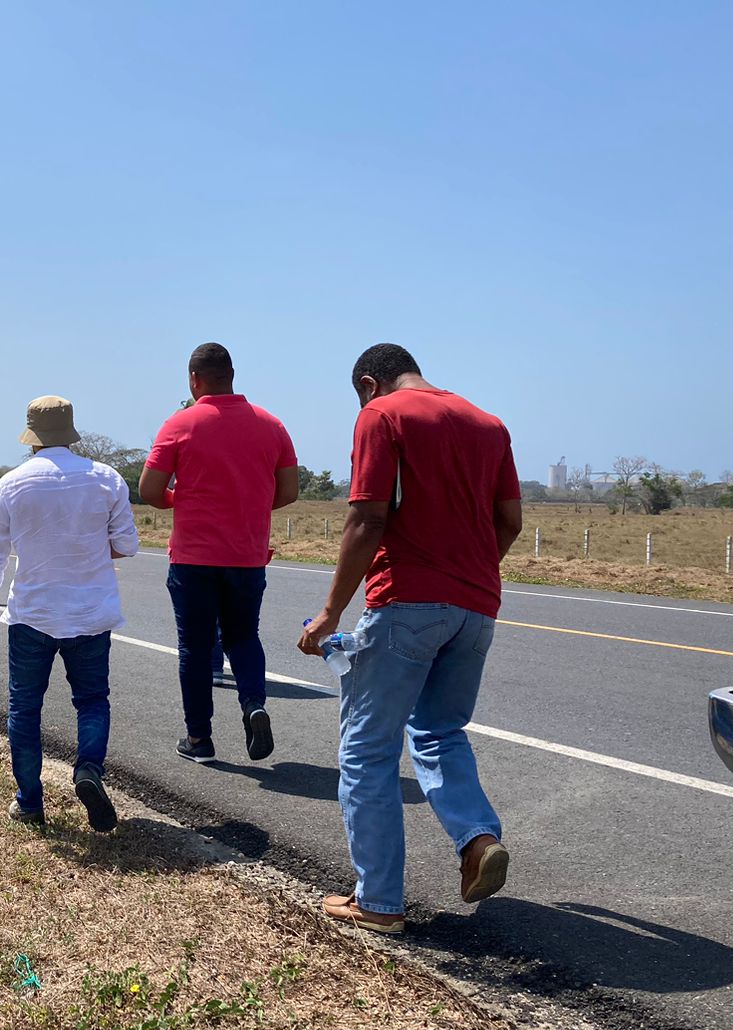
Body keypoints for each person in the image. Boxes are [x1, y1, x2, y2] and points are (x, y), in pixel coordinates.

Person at [298, 343, 522, 935]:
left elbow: (368, 518)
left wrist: (329, 612)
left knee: (367, 750)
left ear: (369, 384)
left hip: (405, 605)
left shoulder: (383, 415)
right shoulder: (488, 423)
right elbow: (510, 522)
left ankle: (378, 901)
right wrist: (467, 574)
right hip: (476, 609)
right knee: (439, 729)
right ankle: (476, 838)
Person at [0, 396, 139, 831]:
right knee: (91, 700)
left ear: (31, 438)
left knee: (24, 708)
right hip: (91, 614)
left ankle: (30, 801)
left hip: (33, 614)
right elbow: (126, 544)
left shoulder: (11, 484)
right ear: (71, 432)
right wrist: (85, 548)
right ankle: (88, 770)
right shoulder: (106, 478)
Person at [139, 343, 298, 764]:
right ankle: (253, 704)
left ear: (194, 380)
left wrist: (185, 499)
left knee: (194, 646)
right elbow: (289, 491)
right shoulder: (272, 425)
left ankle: (199, 740)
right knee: (244, 636)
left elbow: (150, 491)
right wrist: (247, 502)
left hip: (193, 557)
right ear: (232, 374)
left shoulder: (180, 424)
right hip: (246, 556)